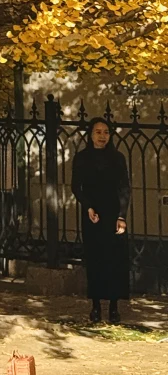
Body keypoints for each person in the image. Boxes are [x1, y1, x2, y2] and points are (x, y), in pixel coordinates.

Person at [71, 117, 130, 324]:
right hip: (92, 215)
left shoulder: (118, 158)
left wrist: (122, 215)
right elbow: (75, 186)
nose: (102, 136)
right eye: (98, 132)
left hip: (113, 214)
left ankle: (114, 307)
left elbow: (124, 188)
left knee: (114, 259)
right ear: (91, 134)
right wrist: (87, 206)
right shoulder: (82, 158)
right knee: (95, 259)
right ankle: (95, 306)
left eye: (106, 132)